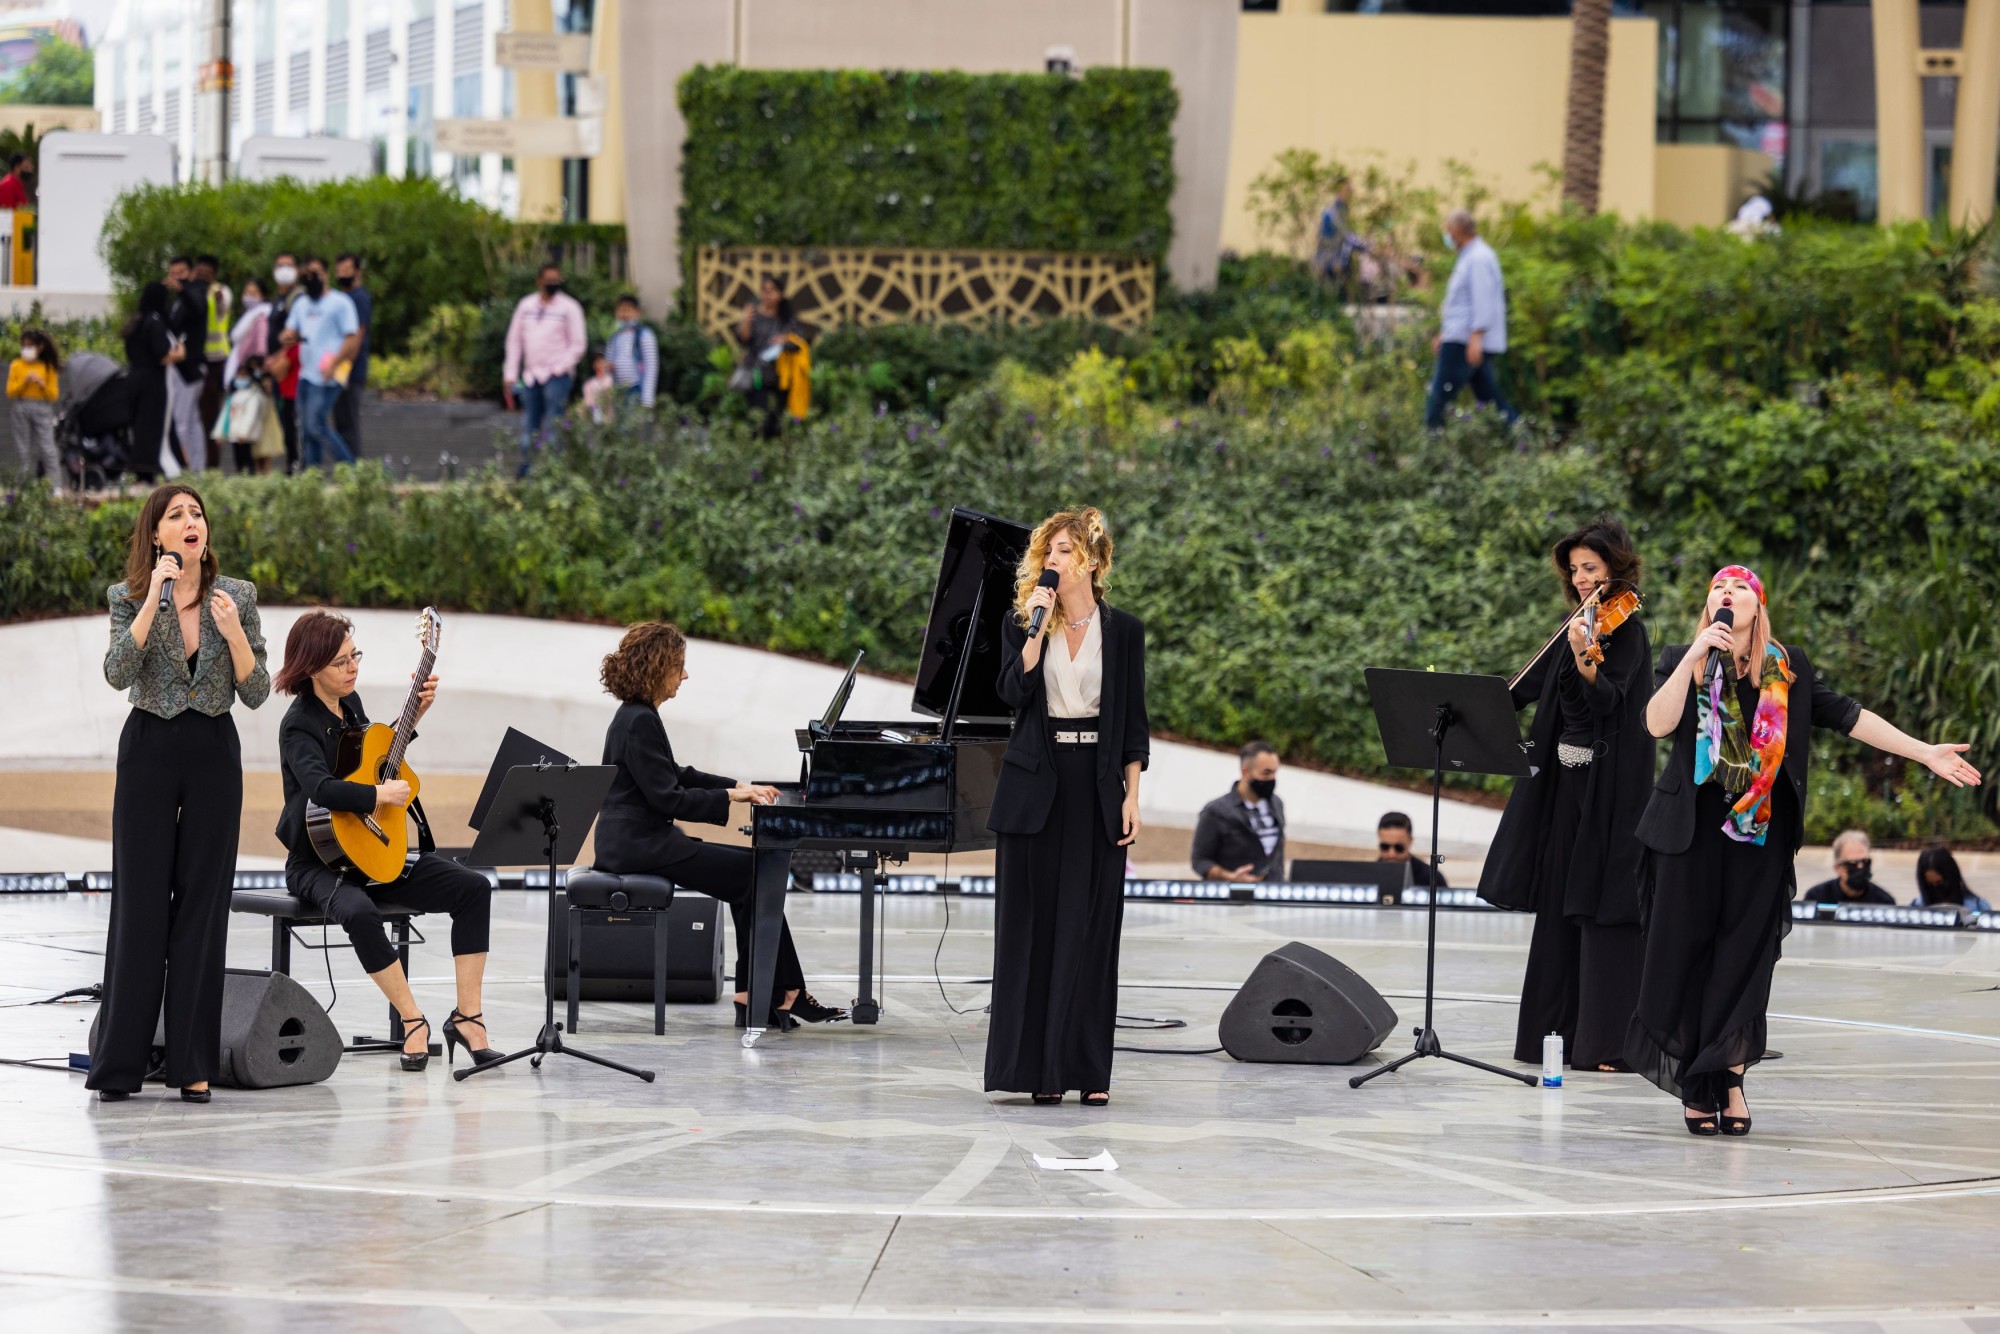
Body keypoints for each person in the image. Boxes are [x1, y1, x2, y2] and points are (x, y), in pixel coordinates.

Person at [1628, 565, 1981, 1137]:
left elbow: (1849, 716)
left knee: (1743, 960)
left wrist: (1923, 753)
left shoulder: (1786, 670)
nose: (1728, 594)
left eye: (1740, 587)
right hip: (1688, 835)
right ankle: (1696, 1083)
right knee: (1684, 954)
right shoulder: (1684, 656)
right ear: (1707, 605)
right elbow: (1655, 723)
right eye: (1719, 587)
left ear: (1758, 606)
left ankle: (1730, 1078)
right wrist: (1695, 656)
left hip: (1758, 835)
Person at [89, 484, 270, 1102]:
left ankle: (193, 1063)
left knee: (203, 905)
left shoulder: (237, 597)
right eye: (177, 515)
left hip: (214, 752)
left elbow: (257, 691)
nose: (191, 522)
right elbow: (118, 673)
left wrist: (232, 632)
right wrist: (153, 599)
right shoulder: (127, 597)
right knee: (140, 903)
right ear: (158, 535)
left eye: (197, 514)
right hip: (148, 751)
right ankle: (120, 1064)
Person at [273, 609, 501, 1071]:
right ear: (311, 667)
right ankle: (413, 1021)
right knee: (358, 910)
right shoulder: (298, 724)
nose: (352, 666)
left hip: (370, 850)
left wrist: (411, 717)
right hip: (317, 861)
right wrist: (379, 794)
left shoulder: (350, 706)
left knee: (473, 889)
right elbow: (321, 787)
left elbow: (376, 757)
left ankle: (469, 1017)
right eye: (340, 661)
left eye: (354, 655)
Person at [591, 621, 847, 1030]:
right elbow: (669, 798)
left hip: (636, 841)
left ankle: (758, 994)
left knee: (751, 876)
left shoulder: (635, 716)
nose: (685, 676)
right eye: (680, 666)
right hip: (638, 845)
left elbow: (676, 773)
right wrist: (731, 797)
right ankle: (782, 992)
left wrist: (739, 785)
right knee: (756, 874)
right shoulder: (638, 720)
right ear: (658, 668)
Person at [1476, 518, 1654, 1072]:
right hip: (1563, 789)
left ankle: (1604, 1043)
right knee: (1557, 905)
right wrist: (1475, 705)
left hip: (1608, 794)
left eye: (1591, 569)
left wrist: (1586, 659)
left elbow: (1608, 702)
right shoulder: (1575, 625)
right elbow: (1524, 690)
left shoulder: (1625, 631)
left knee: (1601, 909)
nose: (1581, 579)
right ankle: (1547, 1037)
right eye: (1575, 569)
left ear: (1615, 569)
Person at [985, 507, 1149, 1107]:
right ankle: (1037, 1073)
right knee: (1031, 930)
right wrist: (1036, 627)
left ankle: (1089, 1071)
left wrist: (1133, 796)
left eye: (1063, 551)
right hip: (1037, 783)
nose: (1051, 561)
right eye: (1047, 551)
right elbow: (1011, 691)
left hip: (1098, 787)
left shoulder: (1124, 631)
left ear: (1092, 560)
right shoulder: (1024, 621)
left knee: (1090, 930)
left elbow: (1133, 723)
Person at [1425, 209, 1517, 429]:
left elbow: (1482, 299)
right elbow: (1461, 303)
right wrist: (1445, 333)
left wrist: (1476, 336)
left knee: (1439, 396)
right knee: (1490, 400)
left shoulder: (1478, 258)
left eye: (1448, 231)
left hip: (1465, 342)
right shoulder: (1470, 256)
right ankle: (1521, 441)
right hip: (1460, 336)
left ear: (1457, 231)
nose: (1447, 236)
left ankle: (1431, 449)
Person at [502, 261, 587, 478]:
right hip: (531, 376)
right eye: (548, 279)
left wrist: (559, 368)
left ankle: (552, 472)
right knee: (529, 424)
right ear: (539, 281)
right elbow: (514, 342)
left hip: (556, 376)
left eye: (556, 280)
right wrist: (510, 374)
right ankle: (528, 469)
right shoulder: (526, 305)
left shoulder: (570, 308)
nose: (552, 283)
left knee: (553, 424)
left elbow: (578, 344)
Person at [281, 257, 361, 470]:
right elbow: (291, 331)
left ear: (326, 275)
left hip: (328, 374)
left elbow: (352, 337)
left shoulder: (340, 302)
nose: (310, 278)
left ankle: (351, 470)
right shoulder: (301, 303)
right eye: (306, 274)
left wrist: (334, 363)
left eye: (315, 273)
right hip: (306, 375)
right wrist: (288, 336)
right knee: (307, 430)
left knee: (315, 425)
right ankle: (312, 477)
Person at [1191, 740, 1286, 882]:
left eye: (1274, 772)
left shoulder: (1276, 804)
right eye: (1266, 773)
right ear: (1245, 771)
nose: (1272, 778)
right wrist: (1230, 877)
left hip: (1272, 894)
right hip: (1233, 897)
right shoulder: (1216, 811)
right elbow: (1200, 861)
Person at [121, 281, 181, 483]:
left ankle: (139, 469)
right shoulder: (155, 322)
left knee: (139, 426)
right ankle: (151, 468)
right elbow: (163, 355)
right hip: (153, 381)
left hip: (133, 377)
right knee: (153, 425)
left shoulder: (135, 321)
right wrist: (180, 353)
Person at [735, 276, 808, 438]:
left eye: (771, 291)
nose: (767, 295)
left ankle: (773, 454)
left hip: (781, 377)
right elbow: (743, 339)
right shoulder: (755, 317)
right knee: (759, 417)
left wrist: (784, 340)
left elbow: (799, 343)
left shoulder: (787, 319)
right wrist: (745, 320)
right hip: (758, 374)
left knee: (777, 420)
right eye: (764, 291)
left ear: (780, 294)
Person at [221, 278, 274, 473]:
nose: (248, 297)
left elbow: (260, 348)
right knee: (239, 427)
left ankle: (249, 471)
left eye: (254, 293)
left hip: (250, 378)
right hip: (241, 376)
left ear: (263, 296)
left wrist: (253, 369)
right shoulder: (249, 317)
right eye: (247, 292)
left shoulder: (261, 316)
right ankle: (245, 471)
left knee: (248, 428)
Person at [164, 256, 210, 470]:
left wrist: (182, 290)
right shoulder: (178, 299)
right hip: (181, 368)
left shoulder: (196, 291)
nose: (176, 278)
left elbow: (198, 306)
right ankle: (196, 468)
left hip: (189, 368)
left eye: (181, 273)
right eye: (173, 274)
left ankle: (186, 468)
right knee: (191, 421)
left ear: (191, 273)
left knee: (182, 422)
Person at [8, 327, 62, 493]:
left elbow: (53, 395)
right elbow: (10, 391)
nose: (26, 349)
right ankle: (25, 488)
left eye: (30, 346)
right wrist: (24, 382)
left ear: (40, 347)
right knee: (22, 449)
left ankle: (56, 487)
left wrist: (41, 384)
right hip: (21, 406)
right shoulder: (16, 365)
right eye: (24, 346)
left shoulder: (48, 367)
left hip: (42, 407)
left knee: (48, 448)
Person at [265, 252, 304, 474]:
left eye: (289, 265)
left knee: (291, 416)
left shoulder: (298, 298)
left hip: (290, 367)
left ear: (297, 271)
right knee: (283, 416)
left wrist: (277, 356)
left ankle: (296, 463)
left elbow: (294, 335)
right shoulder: (277, 300)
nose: (284, 269)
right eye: (280, 265)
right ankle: (292, 463)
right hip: (278, 368)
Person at [331, 253, 372, 458]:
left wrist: (344, 370)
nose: (343, 274)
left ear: (357, 272)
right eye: (339, 270)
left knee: (349, 425)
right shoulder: (341, 298)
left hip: (350, 373)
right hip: (338, 371)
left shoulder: (359, 298)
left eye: (347, 270)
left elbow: (357, 336)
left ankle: (353, 473)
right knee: (340, 423)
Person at [194, 254, 233, 447]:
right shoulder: (192, 291)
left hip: (216, 359)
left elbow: (222, 306)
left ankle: (213, 463)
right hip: (197, 359)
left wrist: (216, 298)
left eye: (207, 273)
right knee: (198, 413)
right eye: (199, 272)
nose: (202, 276)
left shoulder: (220, 291)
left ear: (214, 275)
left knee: (211, 412)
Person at [1800, 830, 1895, 906]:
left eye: (1866, 862)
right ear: (1837, 868)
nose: (1860, 867)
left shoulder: (1884, 902)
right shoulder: (1816, 898)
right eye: (1852, 863)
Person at [1313, 176, 1370, 290]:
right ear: (1339, 191)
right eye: (1348, 189)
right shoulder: (1332, 211)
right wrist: (1367, 246)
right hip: (1330, 260)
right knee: (1335, 294)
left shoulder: (1343, 208)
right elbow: (1345, 234)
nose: (1351, 193)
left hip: (1339, 259)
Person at [607, 294, 659, 409]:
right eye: (620, 310)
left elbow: (651, 366)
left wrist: (647, 399)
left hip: (636, 388)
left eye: (628, 310)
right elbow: (608, 362)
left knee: (635, 424)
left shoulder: (644, 335)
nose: (624, 314)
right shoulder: (614, 337)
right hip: (619, 390)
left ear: (637, 313)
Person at [1913, 846, 1992, 914]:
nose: (1936, 891)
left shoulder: (1977, 907)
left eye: (1940, 884)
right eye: (1929, 885)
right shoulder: (1916, 907)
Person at [1378, 811, 1446, 887]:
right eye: (1385, 847)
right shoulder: (1367, 876)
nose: (1392, 854)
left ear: (1410, 841)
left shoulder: (1431, 878)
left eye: (1399, 848)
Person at [580, 350, 616, 424]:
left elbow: (609, 398)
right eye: (597, 362)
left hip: (608, 418)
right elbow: (588, 402)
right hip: (593, 417)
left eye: (602, 362)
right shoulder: (588, 384)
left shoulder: (610, 380)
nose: (599, 365)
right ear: (593, 365)